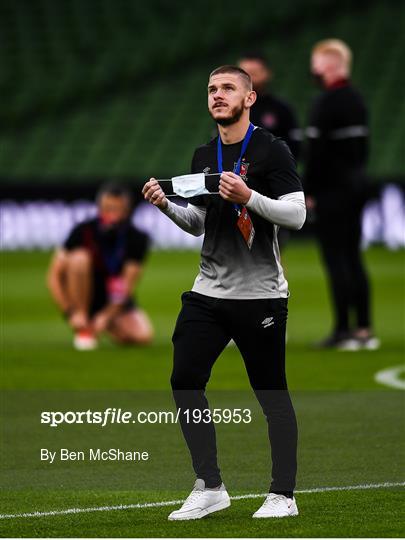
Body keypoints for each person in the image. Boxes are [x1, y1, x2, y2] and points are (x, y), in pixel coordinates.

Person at [142, 65, 306, 520]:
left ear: (249, 98)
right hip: (208, 291)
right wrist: (167, 206)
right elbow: (200, 222)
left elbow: (296, 216)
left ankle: (283, 495)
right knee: (185, 380)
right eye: (212, 89)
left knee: (271, 393)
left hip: (260, 295)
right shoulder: (203, 155)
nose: (217, 95)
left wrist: (248, 196)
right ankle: (210, 485)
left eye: (228, 88)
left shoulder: (272, 151)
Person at [304, 39, 379, 350]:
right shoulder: (358, 101)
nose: (313, 69)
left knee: (336, 259)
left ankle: (342, 331)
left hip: (332, 192)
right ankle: (364, 329)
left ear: (331, 65)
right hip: (356, 186)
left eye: (317, 62)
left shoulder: (326, 102)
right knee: (353, 257)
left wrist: (308, 191)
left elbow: (317, 154)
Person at [47, 183, 153, 350]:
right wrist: (70, 312)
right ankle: (83, 317)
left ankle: (101, 323)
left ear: (126, 211)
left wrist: (107, 316)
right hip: (83, 289)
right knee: (79, 259)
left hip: (113, 293)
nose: (112, 215)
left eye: (117, 209)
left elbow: (127, 284)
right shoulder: (82, 231)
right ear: (99, 208)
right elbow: (54, 275)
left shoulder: (137, 238)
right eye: (108, 208)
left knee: (141, 337)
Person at [238, 52, 301, 160]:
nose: (247, 80)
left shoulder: (282, 109)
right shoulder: (231, 110)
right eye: (242, 75)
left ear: (267, 74)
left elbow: (295, 148)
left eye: (253, 73)